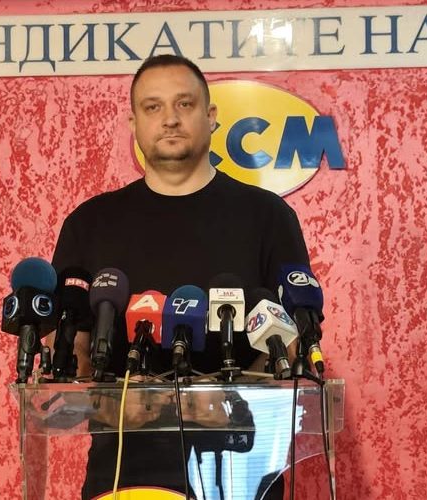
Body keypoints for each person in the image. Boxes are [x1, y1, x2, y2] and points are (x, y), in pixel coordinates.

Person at [48, 54, 312, 499]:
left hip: (242, 473)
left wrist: (223, 401)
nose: (169, 119)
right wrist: (116, 405)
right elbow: (69, 351)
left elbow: (291, 341)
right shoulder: (90, 223)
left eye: (184, 104)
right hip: (125, 476)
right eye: (153, 107)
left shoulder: (268, 217)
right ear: (133, 123)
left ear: (211, 116)